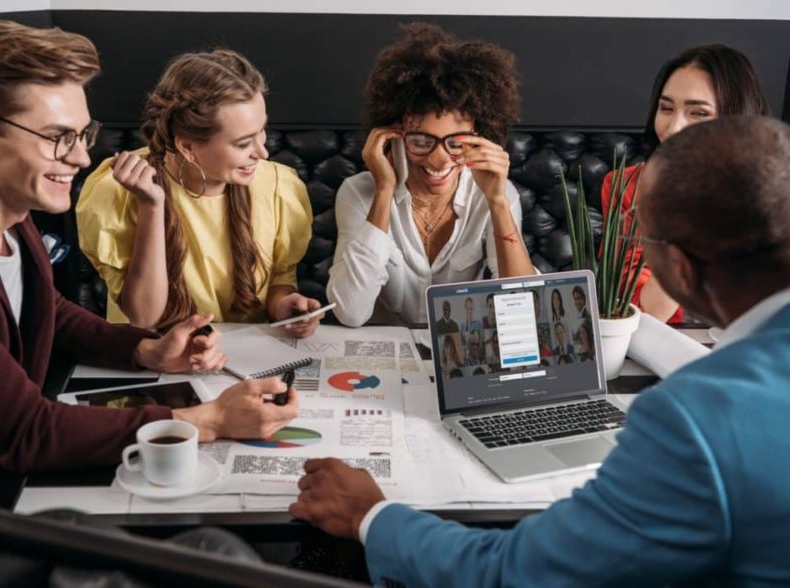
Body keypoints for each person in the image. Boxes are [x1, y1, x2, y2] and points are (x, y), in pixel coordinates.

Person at [290, 116, 790, 586]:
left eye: (644, 234)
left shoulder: (692, 419)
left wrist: (369, 515)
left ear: (677, 267)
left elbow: (513, 574)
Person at [0, 20, 298, 502]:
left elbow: (48, 313)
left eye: (84, 135)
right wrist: (207, 420)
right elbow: (27, 431)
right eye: (59, 137)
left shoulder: (4, 205)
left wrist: (145, 350)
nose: (82, 158)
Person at [76, 50, 320, 337]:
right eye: (243, 143)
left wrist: (284, 305)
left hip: (242, 359)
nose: (262, 152)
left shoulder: (279, 186)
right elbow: (143, 317)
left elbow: (279, 279)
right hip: (153, 355)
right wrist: (152, 206)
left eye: (262, 131)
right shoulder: (115, 192)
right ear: (188, 147)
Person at [326, 23, 534, 327]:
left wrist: (498, 202)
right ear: (394, 136)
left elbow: (523, 311)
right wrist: (384, 191)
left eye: (457, 142)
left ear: (481, 136)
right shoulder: (358, 193)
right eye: (421, 141)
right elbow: (350, 313)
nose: (439, 159)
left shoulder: (496, 195)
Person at [601, 44, 770, 324]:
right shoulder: (628, 186)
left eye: (698, 113)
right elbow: (647, 312)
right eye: (666, 108)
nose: (673, 128)